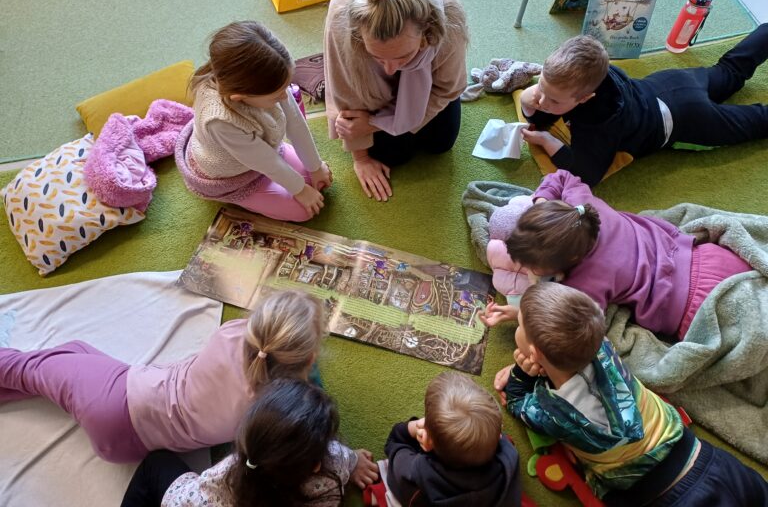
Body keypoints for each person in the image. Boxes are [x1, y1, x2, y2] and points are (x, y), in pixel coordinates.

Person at [495, 282, 768, 505]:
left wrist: (522, 373)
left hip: (668, 496)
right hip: (710, 461)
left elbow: (517, 401)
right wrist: (522, 317)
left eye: (520, 324)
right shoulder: (600, 344)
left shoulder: (553, 412)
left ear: (535, 355)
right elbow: (567, 322)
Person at [0, 290, 327, 463]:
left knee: (27, 369)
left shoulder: (230, 334)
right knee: (75, 350)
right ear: (310, 360)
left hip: (116, 404)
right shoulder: (279, 412)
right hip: (132, 448)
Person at [485, 169, 752, 340]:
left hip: (690, 309)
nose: (528, 271)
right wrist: (541, 203)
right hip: (711, 259)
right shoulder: (581, 207)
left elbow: (566, 324)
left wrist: (521, 307)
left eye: (534, 268)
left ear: (567, 267)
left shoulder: (584, 284)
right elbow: (562, 176)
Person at [519, 25, 768, 186]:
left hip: (687, 119)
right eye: (541, 86)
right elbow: (544, 112)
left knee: (758, 121)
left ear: (584, 99)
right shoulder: (595, 73)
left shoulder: (598, 122)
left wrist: (547, 141)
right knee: (729, 70)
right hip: (673, 82)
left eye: (553, 100)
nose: (542, 100)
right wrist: (529, 100)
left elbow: (585, 174)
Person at [324, 0, 469, 202]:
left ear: (428, 33)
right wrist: (361, 158)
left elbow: (447, 87)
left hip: (427, 85)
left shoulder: (449, 23)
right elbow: (347, 95)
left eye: (402, 57)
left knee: (441, 143)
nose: (391, 69)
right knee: (394, 155)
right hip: (370, 93)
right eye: (379, 58)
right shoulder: (342, 23)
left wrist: (374, 123)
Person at [121, 379, 378, 507]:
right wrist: (352, 460)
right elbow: (337, 457)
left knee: (157, 461)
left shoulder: (231, 473)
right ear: (314, 466)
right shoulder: (330, 477)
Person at [175, 20, 333, 221]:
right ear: (240, 97)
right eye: (276, 97)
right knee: (303, 211)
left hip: (263, 148)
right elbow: (267, 162)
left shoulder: (269, 80)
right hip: (232, 176)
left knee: (314, 181)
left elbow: (295, 122)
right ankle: (241, 198)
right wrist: (300, 191)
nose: (285, 97)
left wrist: (315, 166)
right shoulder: (219, 120)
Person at [382, 371, 522, 506]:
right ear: (498, 437)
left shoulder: (418, 474)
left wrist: (412, 428)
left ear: (428, 443)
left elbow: (394, 442)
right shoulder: (509, 456)